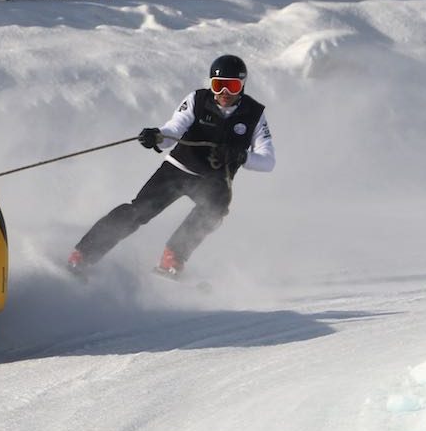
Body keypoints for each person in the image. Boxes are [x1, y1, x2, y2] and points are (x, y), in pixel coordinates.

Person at [67, 55, 275, 278]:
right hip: (178, 169)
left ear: (242, 86)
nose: (224, 92)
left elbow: (268, 161)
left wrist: (241, 156)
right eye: (218, 85)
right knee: (139, 211)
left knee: (214, 211)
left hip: (213, 180)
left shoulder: (253, 114)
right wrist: (156, 137)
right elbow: (173, 130)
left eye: (232, 86)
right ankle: (83, 255)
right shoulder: (197, 99)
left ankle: (172, 259)